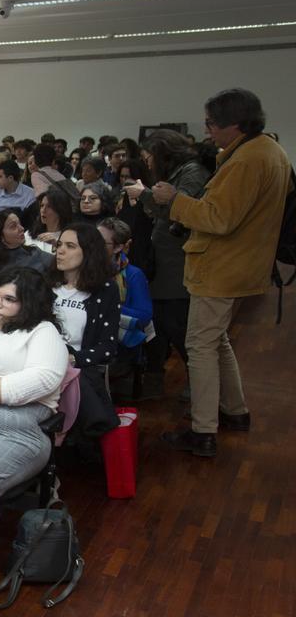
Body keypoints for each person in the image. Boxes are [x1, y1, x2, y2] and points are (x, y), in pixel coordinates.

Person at [152, 89, 292, 457]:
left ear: (234, 124)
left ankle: (203, 431)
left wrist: (174, 200)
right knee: (218, 341)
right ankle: (235, 411)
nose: (207, 130)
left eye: (212, 123)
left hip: (222, 266)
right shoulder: (270, 151)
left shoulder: (247, 160)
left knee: (199, 346)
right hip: (240, 265)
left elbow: (219, 218)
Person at [0, 267, 68, 497]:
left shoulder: (42, 331)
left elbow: (43, 378)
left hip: (14, 421)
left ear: (29, 304)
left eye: (9, 299)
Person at [130, 130, 211, 398]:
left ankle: (201, 390)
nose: (149, 164)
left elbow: (183, 213)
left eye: (149, 157)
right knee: (161, 326)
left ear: (163, 153)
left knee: (180, 328)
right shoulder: (177, 174)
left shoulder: (192, 173)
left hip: (179, 265)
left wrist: (144, 195)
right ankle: (156, 382)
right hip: (164, 263)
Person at [50, 223, 120, 441]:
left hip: (77, 365)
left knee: (68, 375)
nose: (60, 251)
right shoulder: (45, 284)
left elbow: (108, 348)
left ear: (88, 251)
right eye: (59, 244)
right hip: (41, 359)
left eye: (70, 246)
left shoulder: (105, 289)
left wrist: (74, 358)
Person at [98, 217, 154, 398]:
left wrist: (107, 306)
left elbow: (144, 316)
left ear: (118, 247)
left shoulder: (132, 275)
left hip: (119, 347)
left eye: (101, 242)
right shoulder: (82, 270)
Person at [0, 209, 53, 275]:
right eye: (13, 226)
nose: (22, 228)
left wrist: (58, 245)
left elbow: (59, 264)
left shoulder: (34, 252)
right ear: (0, 236)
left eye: (19, 224)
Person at [28, 186, 75, 251]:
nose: (43, 210)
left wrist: (56, 245)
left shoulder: (72, 238)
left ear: (61, 210)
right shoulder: (29, 233)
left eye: (49, 206)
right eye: (42, 205)